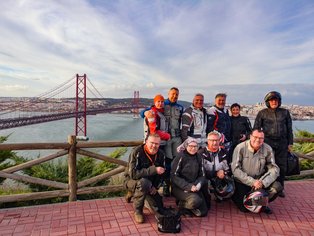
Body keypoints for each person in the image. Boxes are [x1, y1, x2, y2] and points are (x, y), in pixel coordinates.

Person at [141, 87, 184, 196]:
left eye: (176, 94)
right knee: (167, 162)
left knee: (177, 162)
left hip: (176, 138)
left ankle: (175, 186)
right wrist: (145, 112)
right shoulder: (162, 103)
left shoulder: (180, 107)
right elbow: (145, 112)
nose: (174, 96)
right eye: (172, 94)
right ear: (168, 94)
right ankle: (165, 186)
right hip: (165, 139)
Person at [231, 128, 282, 214]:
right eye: (255, 137)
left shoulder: (267, 149)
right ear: (250, 136)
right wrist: (252, 182)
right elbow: (235, 169)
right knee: (244, 209)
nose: (258, 140)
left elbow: (274, 169)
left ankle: (263, 204)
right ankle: (241, 199)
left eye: (261, 138)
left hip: (259, 182)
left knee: (277, 187)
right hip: (243, 182)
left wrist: (263, 182)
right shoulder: (240, 148)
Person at [253, 91, 293, 198]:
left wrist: (290, 143)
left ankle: (280, 188)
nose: (274, 102)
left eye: (276, 100)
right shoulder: (262, 113)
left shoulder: (285, 112)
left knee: (282, 166)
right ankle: (267, 185)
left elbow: (289, 129)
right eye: (271, 100)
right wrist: (255, 142)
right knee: (266, 165)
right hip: (267, 142)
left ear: (279, 101)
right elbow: (256, 128)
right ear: (268, 102)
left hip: (282, 143)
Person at [124, 133, 166, 224]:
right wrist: (153, 170)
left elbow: (161, 174)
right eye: (152, 143)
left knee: (158, 207)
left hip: (150, 184)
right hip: (131, 181)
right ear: (146, 142)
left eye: (157, 144)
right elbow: (133, 174)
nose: (154, 146)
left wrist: (155, 186)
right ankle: (138, 211)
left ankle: (134, 193)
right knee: (144, 183)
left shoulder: (161, 154)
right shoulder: (136, 152)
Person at [171, 137, 208, 217]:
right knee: (196, 200)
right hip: (180, 187)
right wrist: (188, 186)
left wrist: (197, 185)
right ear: (186, 146)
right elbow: (174, 176)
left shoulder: (199, 157)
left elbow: (202, 175)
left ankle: (188, 206)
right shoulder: (180, 157)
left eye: (195, 146)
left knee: (203, 212)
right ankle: (182, 205)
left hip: (194, 186)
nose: (193, 148)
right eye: (190, 146)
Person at [198, 131, 231, 204]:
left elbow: (231, 168)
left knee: (231, 184)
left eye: (216, 140)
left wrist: (224, 172)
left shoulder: (225, 152)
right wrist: (215, 173)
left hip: (221, 177)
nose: (215, 143)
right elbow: (199, 171)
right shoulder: (200, 153)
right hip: (206, 178)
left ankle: (220, 195)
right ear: (208, 141)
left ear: (220, 141)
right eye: (212, 140)